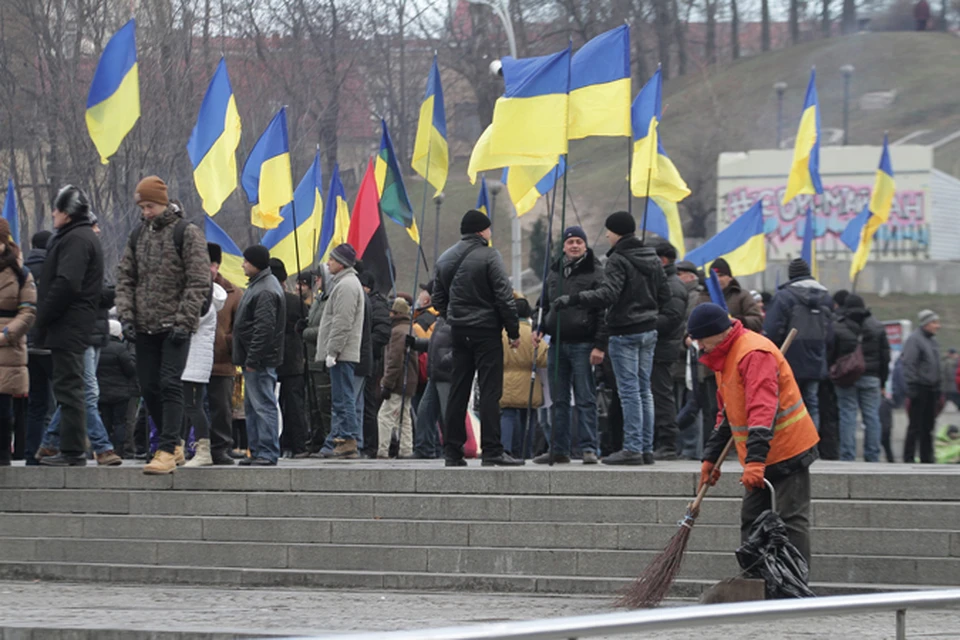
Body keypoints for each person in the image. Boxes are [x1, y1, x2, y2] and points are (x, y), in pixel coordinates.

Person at [693, 303, 819, 565]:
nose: (699, 346)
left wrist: (755, 461)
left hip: (788, 449)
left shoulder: (754, 352)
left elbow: (763, 409)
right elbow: (728, 414)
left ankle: (794, 583)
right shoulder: (724, 358)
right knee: (751, 518)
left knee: (790, 520)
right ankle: (755, 580)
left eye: (700, 339)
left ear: (716, 333)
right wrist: (710, 457)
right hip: (759, 454)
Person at [554, 212, 676, 465]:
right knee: (644, 390)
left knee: (629, 390)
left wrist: (575, 299)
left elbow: (608, 294)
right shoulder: (652, 258)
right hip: (648, 330)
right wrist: (653, 316)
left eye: (609, 231)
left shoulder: (618, 259)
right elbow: (665, 295)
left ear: (616, 232)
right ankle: (645, 448)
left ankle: (631, 447)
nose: (607, 235)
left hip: (625, 330)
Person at [116, 177, 210, 474]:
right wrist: (127, 316)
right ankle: (174, 442)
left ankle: (168, 448)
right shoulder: (137, 236)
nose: (146, 212)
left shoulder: (187, 233)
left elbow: (198, 280)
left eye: (150, 205)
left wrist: (185, 320)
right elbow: (125, 278)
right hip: (144, 325)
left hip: (174, 325)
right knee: (149, 386)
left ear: (163, 202)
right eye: (142, 206)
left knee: (170, 384)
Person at [433, 210, 521, 467]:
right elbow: (504, 297)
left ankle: (452, 452)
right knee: (490, 390)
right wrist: (513, 331)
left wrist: (454, 318)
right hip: (487, 332)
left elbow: (438, 299)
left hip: (459, 332)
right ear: (482, 231)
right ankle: (492, 450)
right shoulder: (490, 255)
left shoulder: (445, 258)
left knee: (458, 390)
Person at [34, 186, 104, 467]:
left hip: (69, 324)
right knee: (69, 387)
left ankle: (72, 449)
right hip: (75, 324)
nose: (53, 214)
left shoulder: (75, 239)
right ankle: (68, 446)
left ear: (67, 213)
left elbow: (66, 283)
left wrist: (43, 316)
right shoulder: (80, 236)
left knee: (69, 387)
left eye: (57, 209)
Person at [534, 226, 605, 465]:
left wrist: (599, 345)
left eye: (578, 242)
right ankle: (559, 449)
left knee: (585, 398)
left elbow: (603, 312)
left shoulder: (596, 272)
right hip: (556, 343)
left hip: (584, 344)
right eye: (570, 242)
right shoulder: (554, 273)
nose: (574, 245)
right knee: (558, 400)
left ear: (585, 245)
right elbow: (543, 304)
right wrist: (539, 326)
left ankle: (588, 448)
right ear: (564, 246)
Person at [763, 258, 833, 429]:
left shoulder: (784, 297)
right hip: (816, 360)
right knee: (811, 404)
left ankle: (791, 448)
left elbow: (771, 329)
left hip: (788, 360)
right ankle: (811, 447)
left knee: (788, 406)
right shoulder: (826, 298)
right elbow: (830, 334)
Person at [233, 246, 285, 466]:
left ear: (255, 263)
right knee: (253, 407)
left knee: (263, 405)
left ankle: (267, 451)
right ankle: (255, 450)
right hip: (252, 358)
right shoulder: (258, 285)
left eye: (246, 261)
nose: (242, 264)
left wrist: (253, 358)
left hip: (259, 361)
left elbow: (264, 329)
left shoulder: (264, 290)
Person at [317, 244, 365, 459]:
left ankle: (347, 438)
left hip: (342, 353)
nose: (328, 263)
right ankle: (342, 438)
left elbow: (342, 321)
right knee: (342, 396)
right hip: (342, 352)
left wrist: (333, 351)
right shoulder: (346, 283)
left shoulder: (346, 285)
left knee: (344, 397)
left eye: (332, 260)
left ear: (342, 263)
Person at [829, 294, 890, 462]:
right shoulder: (877, 326)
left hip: (846, 377)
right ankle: (873, 455)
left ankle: (847, 455)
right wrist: (883, 381)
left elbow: (831, 353)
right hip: (872, 377)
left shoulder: (837, 326)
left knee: (847, 414)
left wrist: (832, 371)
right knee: (872, 416)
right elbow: (885, 356)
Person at [181, 273, 227, 467]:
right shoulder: (206, 299)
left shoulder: (204, 305)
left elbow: (187, 322)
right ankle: (178, 447)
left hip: (194, 361)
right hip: (191, 360)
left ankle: (203, 449)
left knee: (193, 406)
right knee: (185, 407)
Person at [0, 218, 35, 465]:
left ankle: (4, 458)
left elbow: (28, 311)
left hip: (8, 349)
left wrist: (6, 333)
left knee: (3, 412)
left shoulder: (21, 274)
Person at [651, 241, 689, 460]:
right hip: (660, 347)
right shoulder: (662, 282)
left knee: (662, 395)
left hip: (663, 348)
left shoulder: (672, 285)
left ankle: (668, 443)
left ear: (663, 260)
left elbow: (671, 319)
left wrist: (644, 322)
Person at [270, 258, 309, 458]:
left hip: (272, 358)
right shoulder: (296, 302)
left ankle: (276, 444)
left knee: (271, 404)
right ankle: (298, 445)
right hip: (295, 359)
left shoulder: (268, 298)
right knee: (295, 405)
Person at [501, 295, 549, 458]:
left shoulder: (502, 332)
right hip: (529, 381)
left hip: (506, 380)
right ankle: (526, 452)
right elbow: (543, 358)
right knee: (528, 417)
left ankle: (506, 448)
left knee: (507, 414)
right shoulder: (532, 333)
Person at [208, 243, 242, 465]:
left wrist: (228, 344)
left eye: (209, 264)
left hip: (222, 361)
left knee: (222, 408)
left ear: (217, 265)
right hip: (192, 361)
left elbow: (240, 329)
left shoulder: (233, 293)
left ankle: (222, 447)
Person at [24, 230, 52, 465]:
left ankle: (31, 452)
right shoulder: (54, 268)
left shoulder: (22, 270)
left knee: (36, 403)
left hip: (27, 344)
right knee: (63, 399)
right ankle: (52, 446)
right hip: (51, 343)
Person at [377, 297, 418, 458]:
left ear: (394, 313)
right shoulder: (410, 329)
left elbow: (394, 361)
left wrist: (387, 384)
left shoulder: (396, 332)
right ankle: (406, 449)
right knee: (404, 417)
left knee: (385, 415)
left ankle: (383, 450)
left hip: (398, 382)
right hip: (410, 381)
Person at [901, 309, 942, 463]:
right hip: (919, 388)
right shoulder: (914, 340)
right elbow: (909, 363)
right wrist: (912, 385)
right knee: (915, 426)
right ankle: (909, 457)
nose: (937, 326)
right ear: (926, 324)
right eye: (934, 323)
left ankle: (927, 457)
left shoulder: (933, 341)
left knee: (928, 427)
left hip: (932, 389)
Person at [358, 271, 391, 458]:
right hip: (362, 358)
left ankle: (370, 446)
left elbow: (383, 333)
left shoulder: (376, 305)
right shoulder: (369, 303)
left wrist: (364, 346)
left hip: (370, 360)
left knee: (368, 404)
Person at [97, 320, 137, 457]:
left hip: (101, 392)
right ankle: (121, 450)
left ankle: (104, 449)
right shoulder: (121, 349)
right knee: (121, 422)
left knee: (105, 423)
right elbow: (130, 369)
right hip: (121, 393)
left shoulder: (98, 348)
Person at [702, 258, 764, 332]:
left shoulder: (742, 296)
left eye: (721, 275)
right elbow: (691, 322)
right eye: (714, 276)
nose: (718, 279)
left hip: (738, 340)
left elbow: (757, 321)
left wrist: (739, 321)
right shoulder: (702, 298)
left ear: (730, 277)